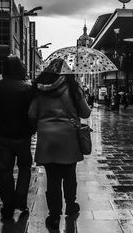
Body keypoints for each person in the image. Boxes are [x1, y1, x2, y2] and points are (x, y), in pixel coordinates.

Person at [28, 58, 91, 231]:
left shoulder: (40, 89)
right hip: (68, 138)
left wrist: (41, 126)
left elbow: (32, 113)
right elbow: (85, 112)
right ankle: (71, 205)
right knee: (69, 175)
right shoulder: (73, 87)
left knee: (52, 179)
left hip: (47, 140)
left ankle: (54, 216)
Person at [0, 55, 35, 220]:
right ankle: (20, 201)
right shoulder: (27, 88)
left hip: (3, 137)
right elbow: (31, 113)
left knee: (4, 171)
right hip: (22, 136)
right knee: (24, 168)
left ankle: (7, 205)